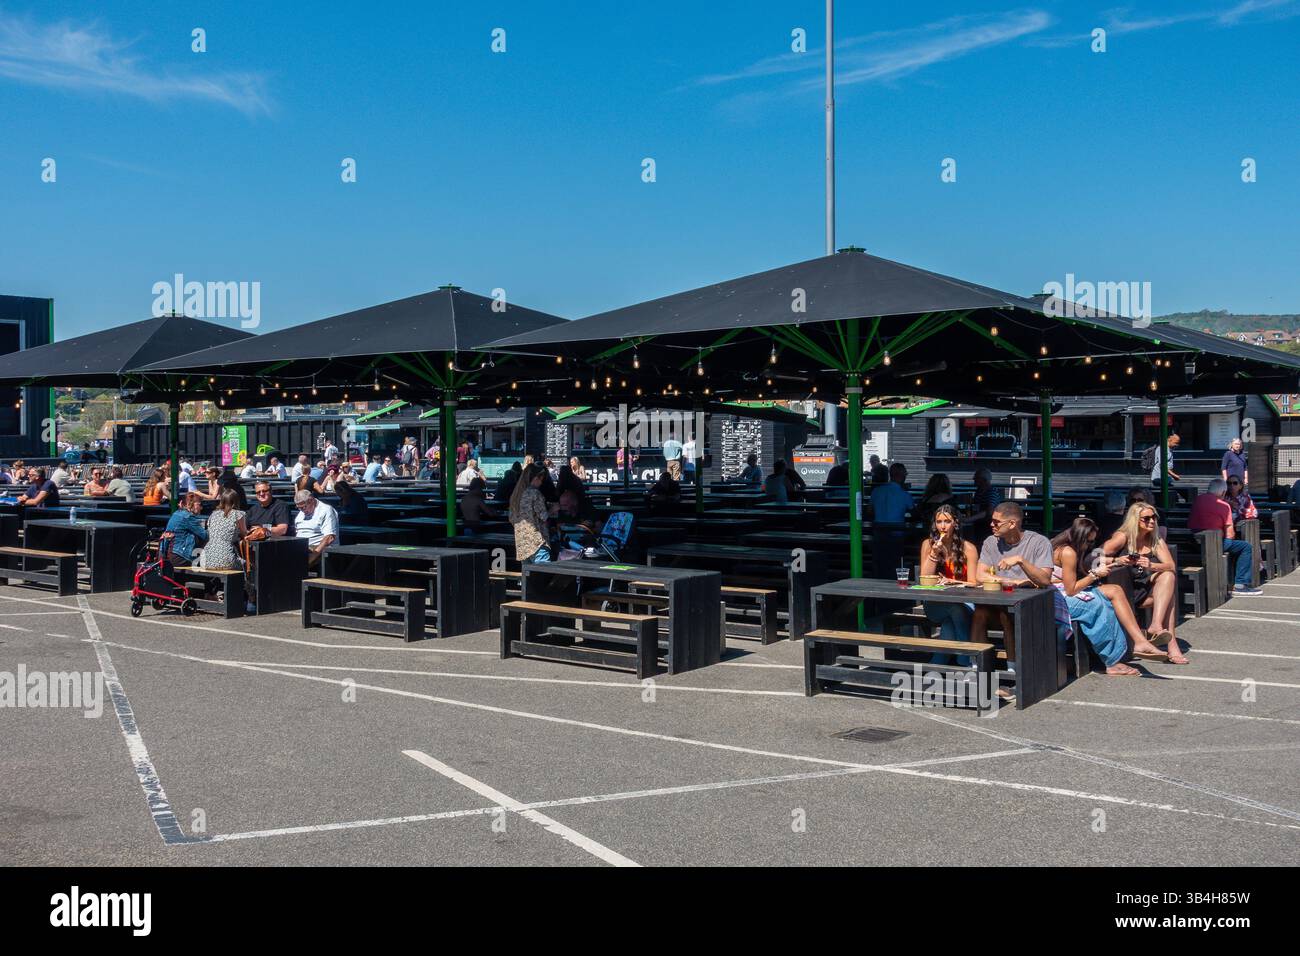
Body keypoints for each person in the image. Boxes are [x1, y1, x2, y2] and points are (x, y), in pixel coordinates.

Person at [1052, 518, 1168, 676]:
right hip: (1059, 599)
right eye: (1089, 541)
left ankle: (1138, 641)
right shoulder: (1067, 552)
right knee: (1100, 606)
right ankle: (1112, 661)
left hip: (1061, 592)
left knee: (1115, 590)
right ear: (1080, 537)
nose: (1090, 545)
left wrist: (1115, 561)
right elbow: (1071, 589)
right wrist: (1094, 575)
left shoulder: (1068, 546)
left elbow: (1089, 559)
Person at [970, 502, 1054, 672]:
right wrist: (1012, 582)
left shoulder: (1039, 542)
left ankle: (1013, 670)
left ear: (1012, 524)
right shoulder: (990, 542)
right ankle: (977, 667)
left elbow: (1044, 580)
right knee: (979, 612)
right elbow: (980, 575)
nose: (991, 524)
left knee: (1007, 614)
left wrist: (1021, 561)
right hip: (999, 602)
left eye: (996, 522)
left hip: (1032, 606)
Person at [1102, 503, 1186, 662]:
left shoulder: (1155, 539)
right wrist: (1117, 559)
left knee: (1168, 576)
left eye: (1154, 517)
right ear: (1135, 520)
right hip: (1125, 589)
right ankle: (1172, 645)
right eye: (1146, 518)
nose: (1152, 521)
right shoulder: (1123, 536)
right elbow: (1095, 554)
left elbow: (1171, 566)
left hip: (1145, 590)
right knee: (1170, 599)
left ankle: (1156, 625)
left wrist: (1151, 565)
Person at [918, 504, 979, 665]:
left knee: (951, 620)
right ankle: (966, 661)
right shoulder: (928, 544)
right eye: (939, 522)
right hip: (935, 603)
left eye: (947, 521)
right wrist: (934, 553)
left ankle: (938, 664)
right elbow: (924, 578)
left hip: (964, 601)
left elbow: (974, 582)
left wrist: (953, 581)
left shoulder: (968, 548)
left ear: (956, 523)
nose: (942, 526)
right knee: (955, 610)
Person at [1188, 478, 1263, 596]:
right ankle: (1240, 584)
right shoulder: (1224, 505)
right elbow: (1230, 534)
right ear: (1223, 492)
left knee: (1233, 547)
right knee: (1246, 547)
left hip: (1193, 542)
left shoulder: (1198, 500)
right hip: (1214, 543)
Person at [509, 463, 556, 563]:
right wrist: (553, 509)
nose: (541, 483)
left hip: (522, 544)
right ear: (535, 478)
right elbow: (544, 517)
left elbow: (511, 519)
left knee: (529, 577)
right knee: (543, 576)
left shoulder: (515, 495)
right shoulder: (535, 493)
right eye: (541, 479)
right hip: (537, 542)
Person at [200, 489, 248, 570]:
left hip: (205, 559)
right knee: (247, 565)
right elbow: (245, 534)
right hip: (226, 558)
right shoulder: (238, 514)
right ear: (236, 501)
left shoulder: (213, 514)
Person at [293, 488, 338, 569]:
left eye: (303, 507)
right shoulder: (301, 513)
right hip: (302, 548)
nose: (302, 510)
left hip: (319, 549)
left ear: (311, 500)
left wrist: (312, 557)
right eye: (299, 508)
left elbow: (329, 537)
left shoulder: (326, 510)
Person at [163, 493, 208, 565]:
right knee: (208, 561)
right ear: (191, 504)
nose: (201, 508)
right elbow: (205, 536)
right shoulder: (188, 517)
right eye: (199, 504)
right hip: (181, 556)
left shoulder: (177, 513)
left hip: (170, 554)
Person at [966, 467, 1002, 535]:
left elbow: (989, 511)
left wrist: (969, 519)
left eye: (976, 478)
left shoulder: (991, 491)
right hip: (979, 523)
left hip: (989, 525)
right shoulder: (979, 491)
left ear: (983, 480)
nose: (974, 479)